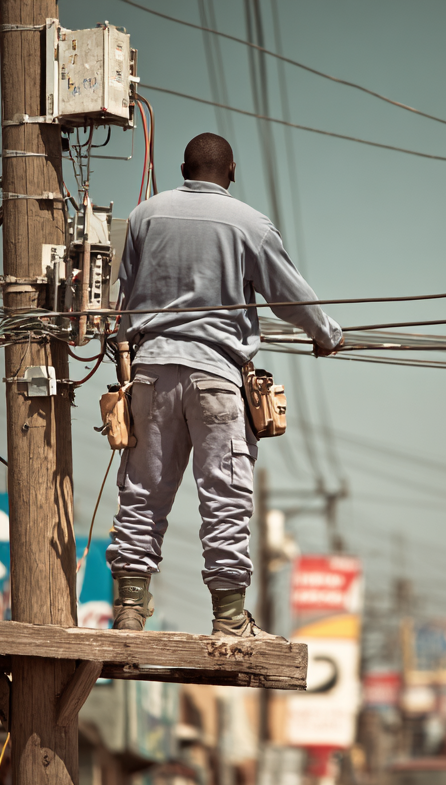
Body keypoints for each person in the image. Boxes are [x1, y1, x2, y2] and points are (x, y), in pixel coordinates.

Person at [107, 132, 342, 638]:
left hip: (150, 372)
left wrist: (125, 352)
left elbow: (119, 301)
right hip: (216, 377)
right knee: (224, 498)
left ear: (183, 168)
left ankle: (129, 612)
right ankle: (230, 620)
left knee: (142, 494)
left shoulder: (145, 216)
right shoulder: (250, 225)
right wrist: (326, 334)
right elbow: (289, 296)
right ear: (231, 170)